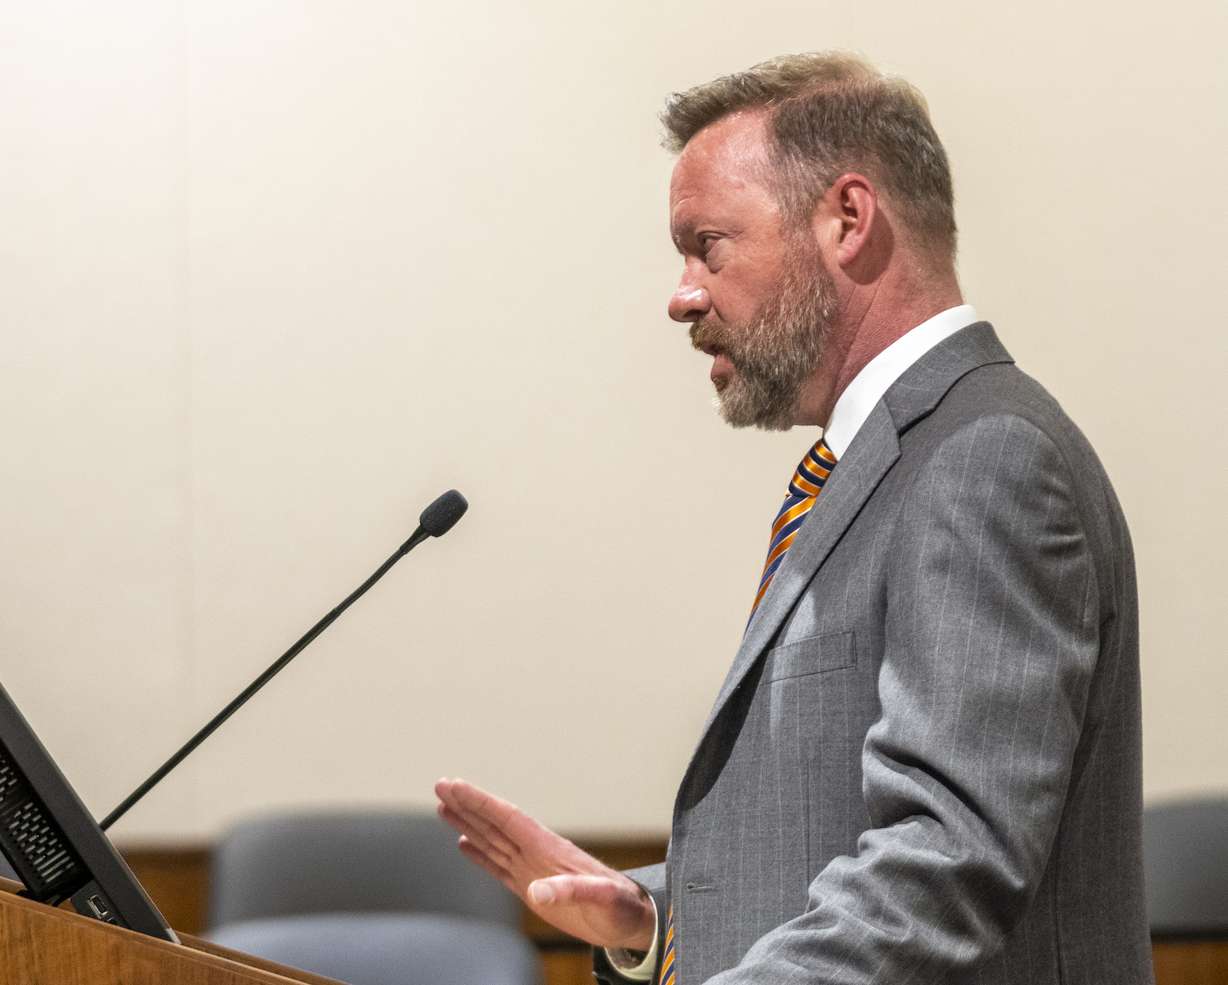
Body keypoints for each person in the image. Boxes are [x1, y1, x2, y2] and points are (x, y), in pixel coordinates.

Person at [435, 52, 1153, 984]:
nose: (682, 294)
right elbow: (843, 830)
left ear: (847, 220)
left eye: (709, 244)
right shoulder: (892, 460)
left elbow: (948, 858)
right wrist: (657, 921)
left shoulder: (985, 459)